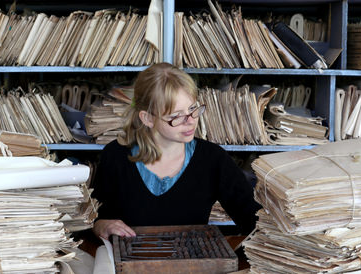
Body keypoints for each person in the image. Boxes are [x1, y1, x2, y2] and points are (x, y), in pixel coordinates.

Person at [91, 62, 261, 240]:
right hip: (133, 264)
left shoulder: (212, 158)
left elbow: (252, 218)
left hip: (190, 263)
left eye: (193, 109)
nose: (190, 121)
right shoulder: (115, 156)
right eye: (176, 116)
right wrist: (100, 225)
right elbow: (94, 219)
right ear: (147, 118)